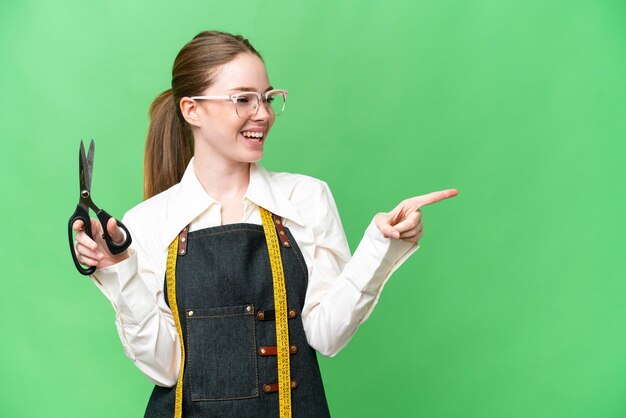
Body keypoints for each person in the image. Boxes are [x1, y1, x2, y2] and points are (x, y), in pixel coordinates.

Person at [72, 30, 457, 418]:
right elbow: (164, 366)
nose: (263, 113)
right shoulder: (149, 222)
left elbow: (326, 336)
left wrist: (381, 245)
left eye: (268, 98)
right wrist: (119, 270)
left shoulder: (307, 198)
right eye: (243, 99)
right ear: (192, 110)